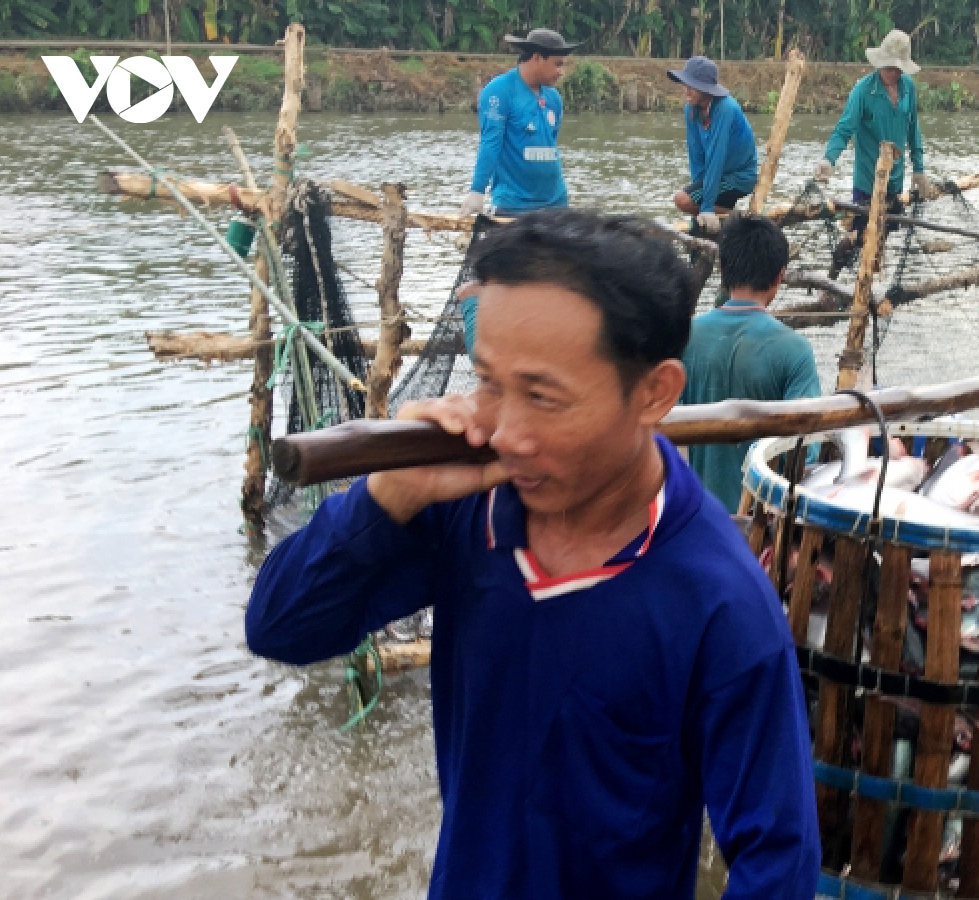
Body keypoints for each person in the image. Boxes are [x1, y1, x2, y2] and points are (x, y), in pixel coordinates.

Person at [245, 209, 820, 899]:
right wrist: (386, 495)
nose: (507, 432)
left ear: (655, 392)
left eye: (543, 396)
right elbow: (280, 626)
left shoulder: (719, 601)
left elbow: (777, 859)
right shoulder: (466, 512)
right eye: (490, 382)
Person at [680, 215, 821, 511]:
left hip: (694, 516)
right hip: (757, 524)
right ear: (778, 277)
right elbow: (803, 452)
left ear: (721, 269)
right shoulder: (794, 349)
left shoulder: (685, 335)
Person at [816, 29, 934, 276]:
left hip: (895, 179)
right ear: (881, 63)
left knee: (882, 235)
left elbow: (913, 128)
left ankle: (867, 285)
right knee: (863, 235)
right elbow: (844, 129)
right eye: (891, 68)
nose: (895, 73)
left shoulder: (908, 88)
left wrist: (919, 169)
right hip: (868, 180)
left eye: (899, 69)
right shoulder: (864, 91)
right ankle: (837, 271)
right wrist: (829, 159)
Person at [460, 28, 577, 219]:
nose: (561, 72)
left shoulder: (553, 98)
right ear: (537, 57)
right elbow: (490, 143)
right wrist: (477, 191)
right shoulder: (499, 91)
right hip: (514, 205)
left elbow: (550, 142)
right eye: (557, 64)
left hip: (556, 204)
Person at [668, 56, 758, 234]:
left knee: (682, 200)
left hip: (738, 177)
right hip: (716, 178)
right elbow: (696, 154)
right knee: (702, 231)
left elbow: (717, 156)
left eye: (692, 86)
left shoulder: (725, 108)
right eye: (685, 84)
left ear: (705, 89)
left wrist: (707, 207)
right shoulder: (691, 109)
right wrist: (700, 194)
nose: (686, 90)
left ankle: (742, 220)